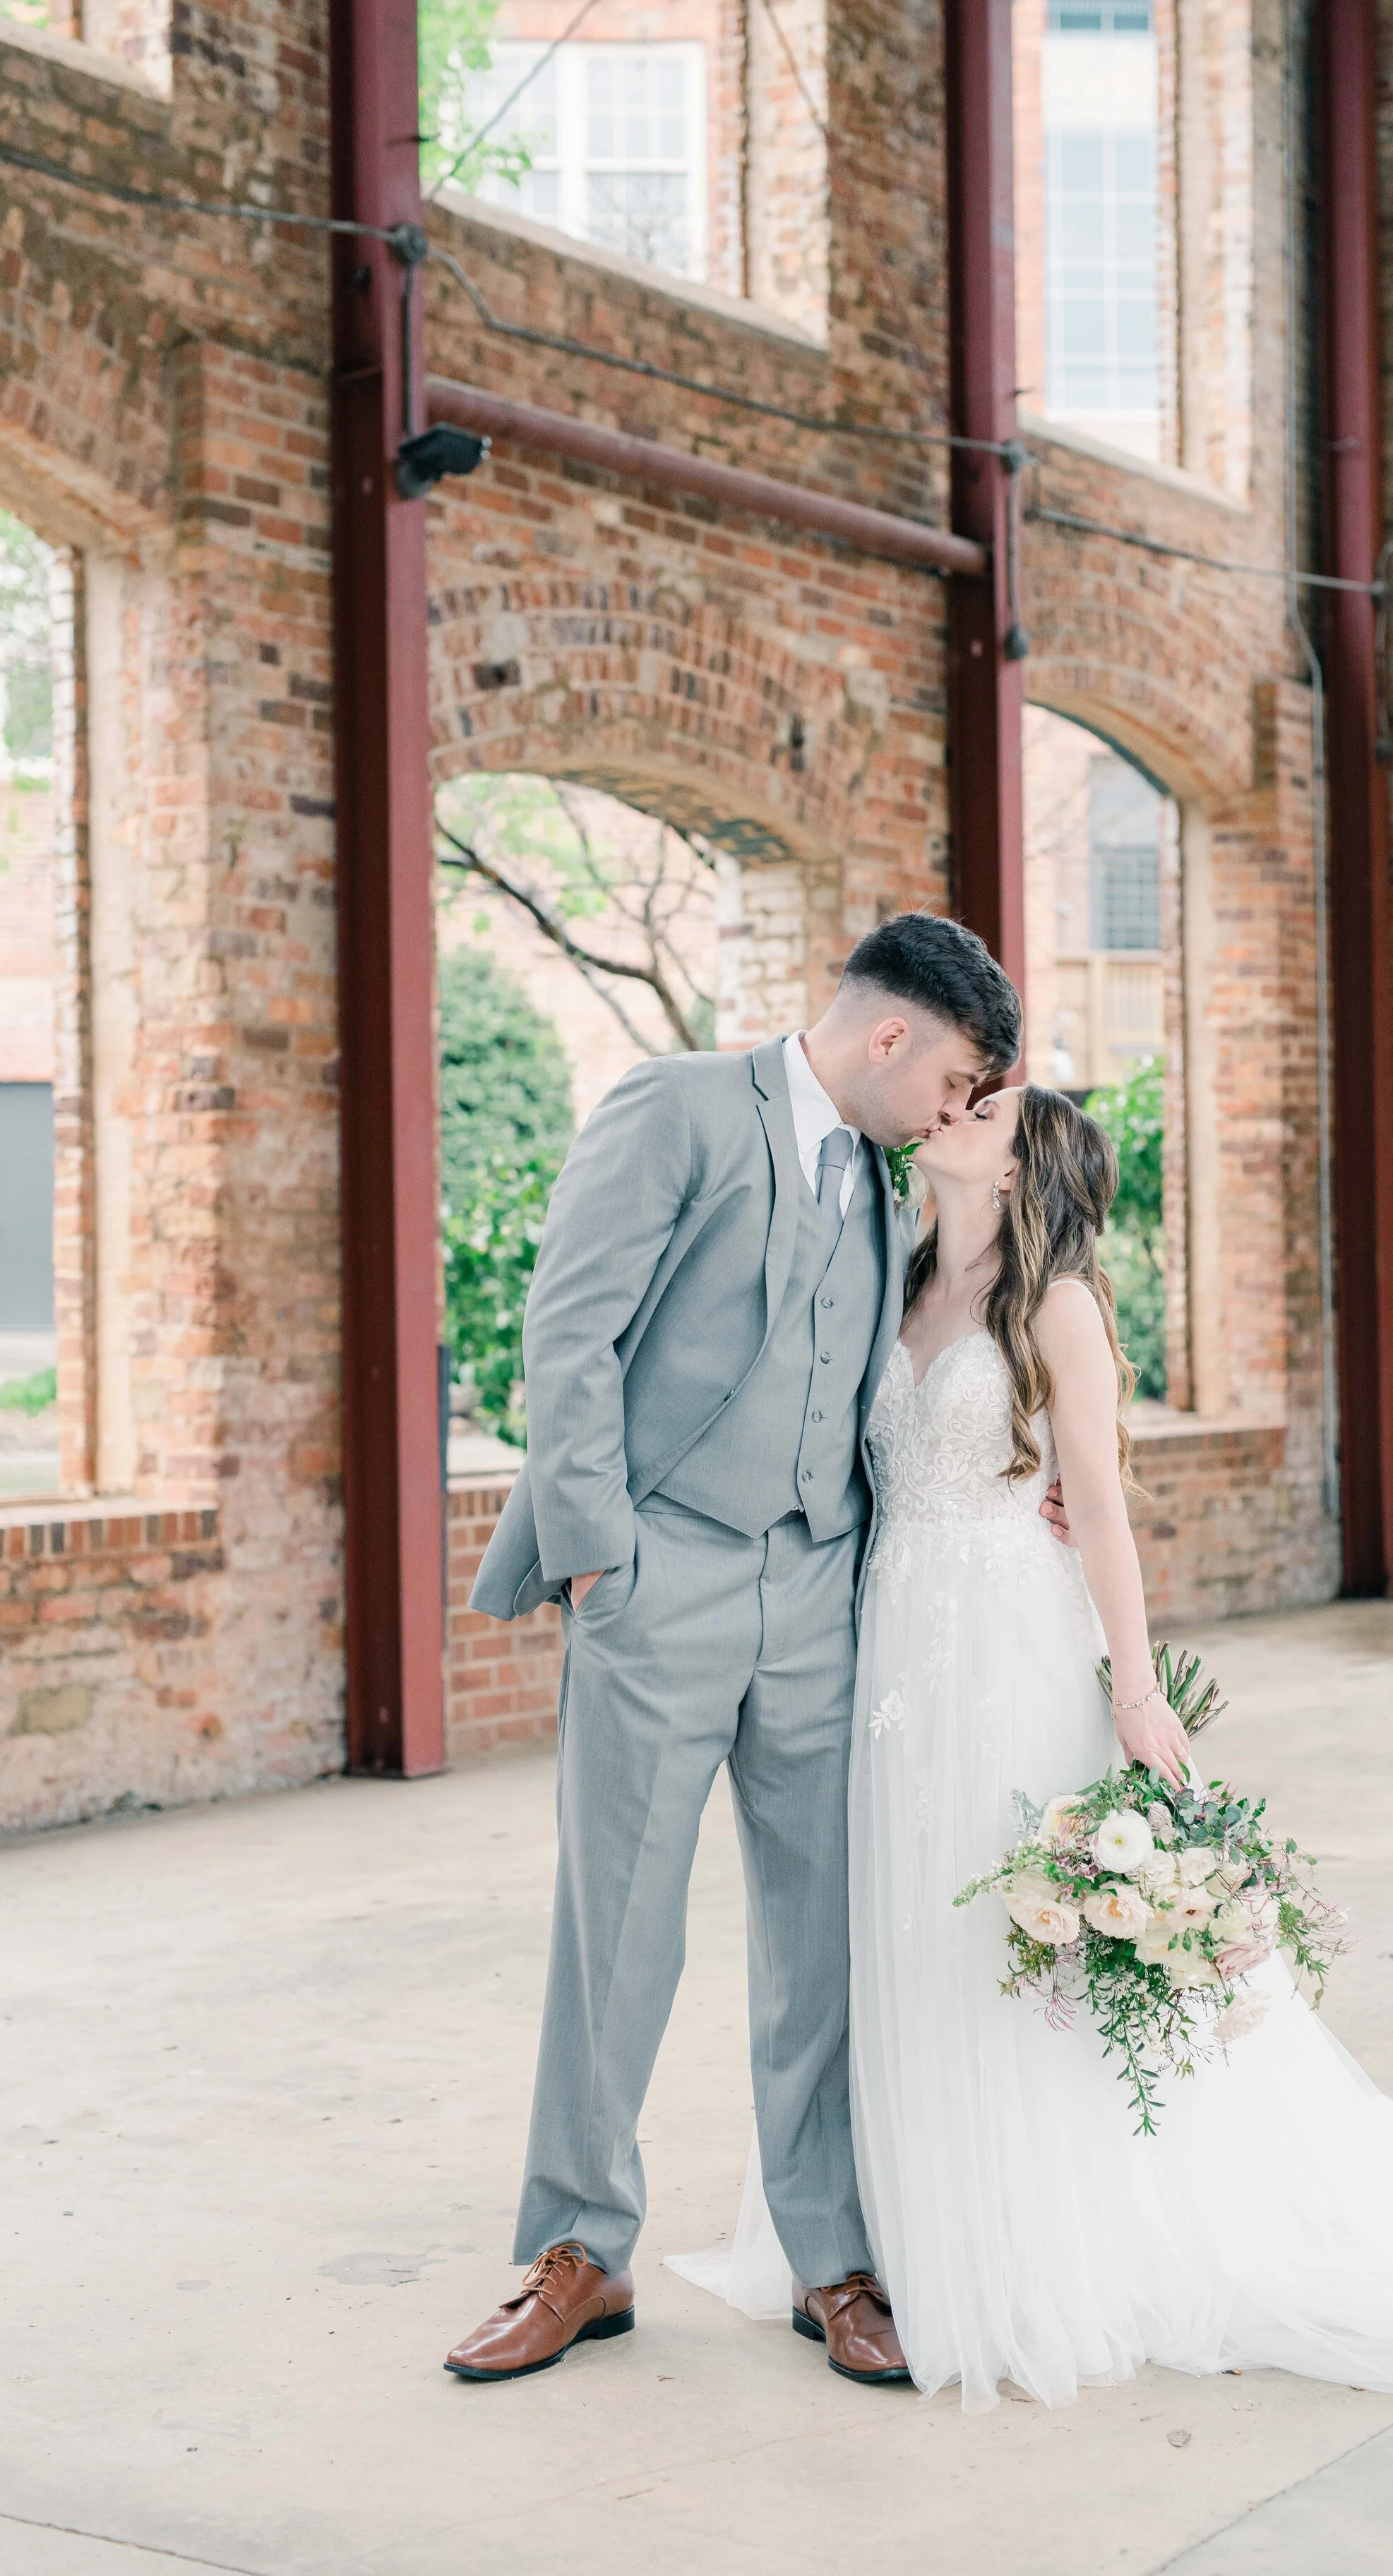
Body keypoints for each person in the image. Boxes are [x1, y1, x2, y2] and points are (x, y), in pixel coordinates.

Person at [678, 1082, 1393, 2412]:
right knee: (906, 1922)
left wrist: (1137, 1692)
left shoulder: (1058, 1311)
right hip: (889, 1641)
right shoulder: (893, 1281)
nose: (953, 1112)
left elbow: (1108, 1515)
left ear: (1021, 1172)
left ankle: (1036, 2235)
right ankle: (900, 2224)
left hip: (1012, 1642)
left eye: (987, 1110)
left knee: (1009, 1931)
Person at [443, 914, 1026, 2387]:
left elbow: (911, 1363)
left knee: (824, 1940)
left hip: (822, 1593)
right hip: (661, 1577)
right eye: (951, 1075)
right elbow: (566, 1329)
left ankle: (826, 2251)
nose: (952, 1110)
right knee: (619, 1928)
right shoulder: (679, 1106)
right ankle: (582, 2246)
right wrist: (599, 1558)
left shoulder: (894, 1184)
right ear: (887, 1035)